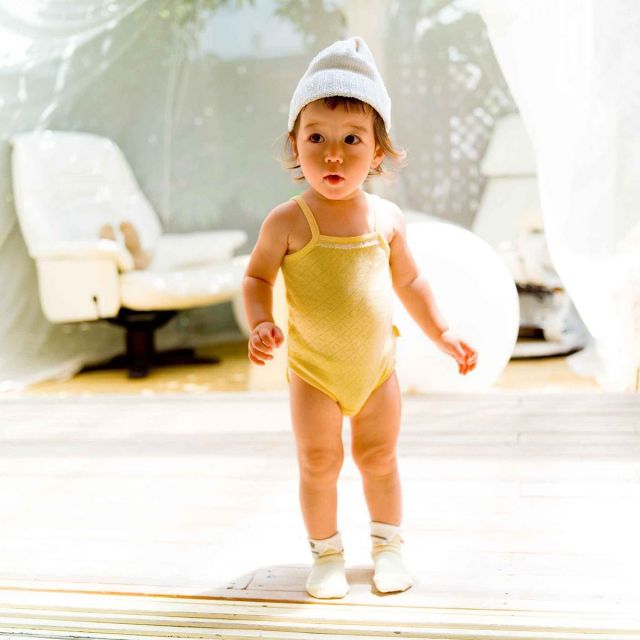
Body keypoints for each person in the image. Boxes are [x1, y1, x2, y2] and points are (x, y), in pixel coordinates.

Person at [242, 36, 477, 599]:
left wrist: (442, 331)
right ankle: (326, 555)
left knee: (380, 458)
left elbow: (410, 282)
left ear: (377, 152)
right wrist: (260, 322)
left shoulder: (386, 219)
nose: (333, 155)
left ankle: (389, 548)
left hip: (376, 372)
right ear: (295, 144)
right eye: (316, 138)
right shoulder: (287, 221)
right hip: (315, 374)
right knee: (319, 461)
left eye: (352, 139)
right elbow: (256, 279)